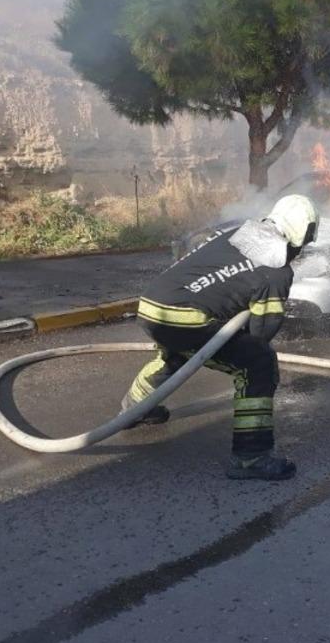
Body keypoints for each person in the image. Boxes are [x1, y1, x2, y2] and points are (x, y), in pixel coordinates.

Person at [119, 194, 318, 480]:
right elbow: (262, 332)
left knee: (179, 355)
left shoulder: (239, 234)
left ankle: (134, 409)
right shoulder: (276, 271)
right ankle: (252, 457)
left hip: (151, 307)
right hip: (183, 318)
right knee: (258, 363)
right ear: (301, 238)